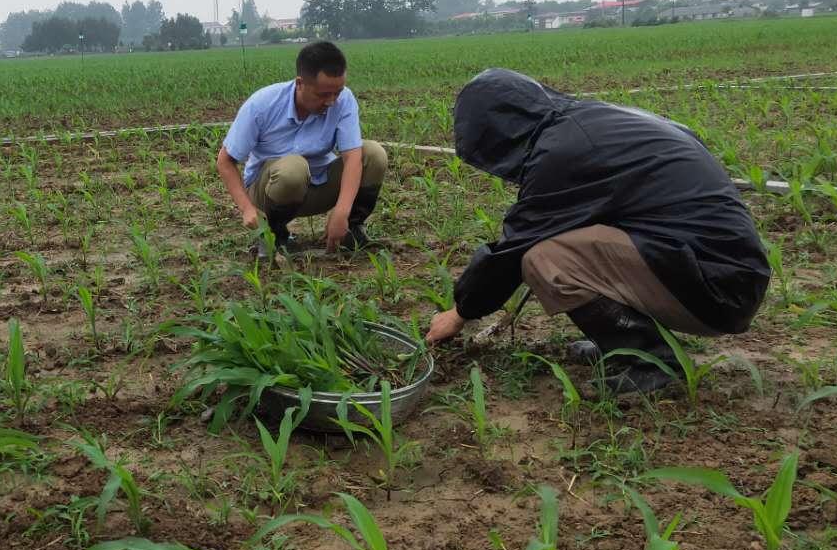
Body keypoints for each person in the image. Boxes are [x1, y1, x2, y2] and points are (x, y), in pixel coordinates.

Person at [425, 68, 769, 392]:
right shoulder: (596, 122)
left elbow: (514, 249)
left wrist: (460, 313)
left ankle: (651, 361)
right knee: (570, 241)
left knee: (546, 259)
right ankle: (622, 339)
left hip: (716, 287)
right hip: (723, 269)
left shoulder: (564, 151)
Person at [217, 40, 388, 256]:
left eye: (337, 92)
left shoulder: (343, 100)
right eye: (323, 94)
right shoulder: (261, 105)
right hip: (269, 191)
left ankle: (350, 231)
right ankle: (274, 235)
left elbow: (353, 158)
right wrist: (247, 209)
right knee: (294, 168)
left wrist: (342, 212)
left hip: (318, 183)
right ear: (300, 83)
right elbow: (225, 161)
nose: (332, 101)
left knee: (373, 154)